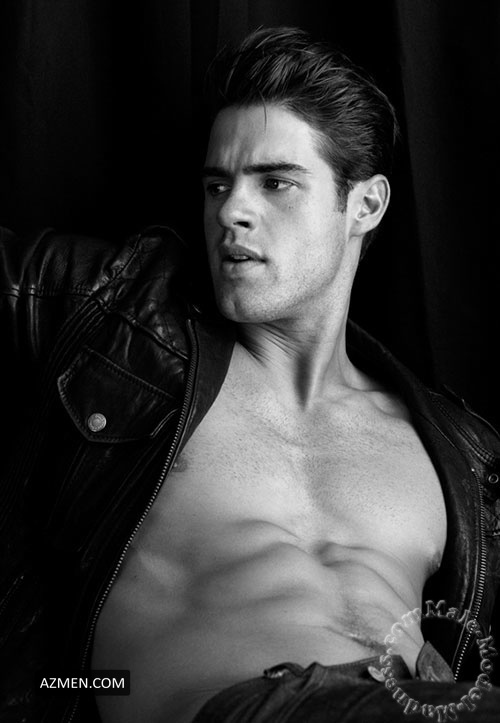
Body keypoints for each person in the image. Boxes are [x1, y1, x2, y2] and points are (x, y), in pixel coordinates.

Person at [1, 25, 499, 723]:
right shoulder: (118, 328)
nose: (230, 211)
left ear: (365, 205)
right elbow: (76, 678)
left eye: (275, 182)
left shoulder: (457, 453)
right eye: (217, 185)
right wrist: (65, 689)